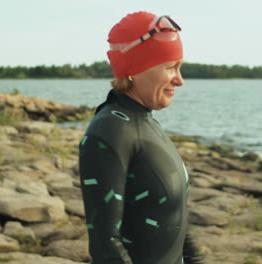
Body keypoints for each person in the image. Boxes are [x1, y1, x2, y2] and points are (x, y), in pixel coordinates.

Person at [78, 11, 203, 264]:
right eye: (171, 67)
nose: (180, 80)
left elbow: (177, 223)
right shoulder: (109, 132)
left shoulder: (148, 124)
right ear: (135, 70)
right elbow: (106, 248)